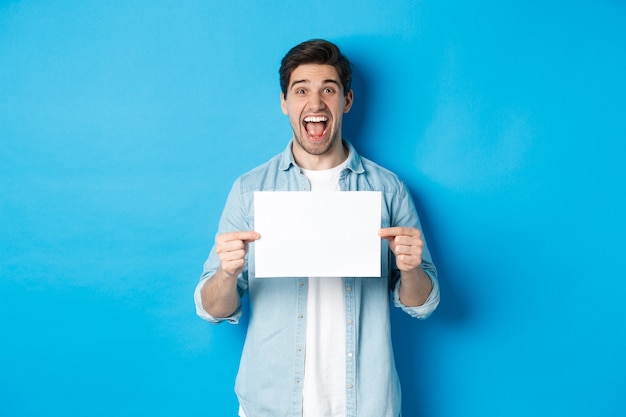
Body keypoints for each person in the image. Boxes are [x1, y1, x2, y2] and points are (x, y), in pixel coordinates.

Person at [194, 39, 440, 417]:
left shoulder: (387, 189)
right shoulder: (249, 190)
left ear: (347, 100)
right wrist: (227, 273)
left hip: (366, 405)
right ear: (284, 104)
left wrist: (410, 269)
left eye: (329, 89)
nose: (315, 102)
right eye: (301, 90)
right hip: (270, 405)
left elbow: (422, 303)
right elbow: (212, 309)